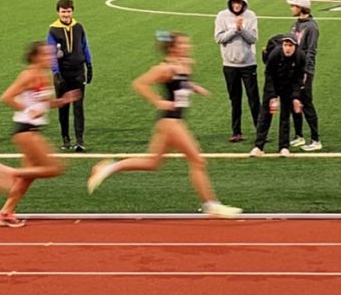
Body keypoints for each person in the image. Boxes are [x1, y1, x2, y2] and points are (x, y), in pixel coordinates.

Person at [88, 32, 241, 218]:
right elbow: (140, 84)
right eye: (184, 44)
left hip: (171, 122)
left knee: (152, 163)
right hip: (170, 122)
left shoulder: (184, 64)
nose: (188, 47)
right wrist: (158, 101)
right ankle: (211, 205)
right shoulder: (165, 69)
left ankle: (108, 167)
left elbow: (181, 84)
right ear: (173, 48)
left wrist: (193, 87)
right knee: (197, 160)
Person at [0, 41, 80, 228]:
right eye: (47, 55)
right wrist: (28, 110)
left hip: (31, 130)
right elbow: (6, 97)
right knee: (55, 168)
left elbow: (45, 104)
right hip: (25, 130)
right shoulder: (28, 75)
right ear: (35, 57)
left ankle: (5, 213)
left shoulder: (43, 76)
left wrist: (63, 100)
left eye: (51, 55)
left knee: (28, 177)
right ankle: (9, 172)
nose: (51, 58)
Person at [214, 0, 260, 143]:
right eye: (234, 2)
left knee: (254, 99)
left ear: (244, 3)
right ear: (230, 3)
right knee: (235, 99)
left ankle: (260, 130)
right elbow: (219, 38)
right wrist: (235, 30)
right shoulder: (222, 16)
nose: (236, 5)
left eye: (239, 2)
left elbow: (253, 38)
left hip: (248, 64)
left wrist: (242, 29)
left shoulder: (251, 16)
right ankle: (236, 132)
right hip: (230, 64)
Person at [47, 0, 93, 152]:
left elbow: (85, 46)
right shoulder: (53, 30)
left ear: (72, 11)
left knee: (79, 107)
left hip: (78, 72)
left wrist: (89, 64)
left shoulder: (79, 27)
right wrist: (56, 73)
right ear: (58, 12)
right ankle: (65, 138)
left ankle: (80, 140)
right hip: (62, 74)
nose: (66, 14)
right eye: (63, 11)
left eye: (68, 11)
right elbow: (51, 53)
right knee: (63, 107)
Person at [250, 36, 305, 157]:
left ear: (295, 47)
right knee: (265, 115)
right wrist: (272, 96)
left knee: (285, 116)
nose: (287, 48)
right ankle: (259, 146)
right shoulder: (274, 54)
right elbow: (269, 75)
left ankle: (284, 147)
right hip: (274, 84)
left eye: (290, 45)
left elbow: (298, 78)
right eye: (285, 45)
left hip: (288, 86)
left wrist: (296, 97)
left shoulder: (300, 57)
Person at [289, 0, 321, 150]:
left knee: (307, 103)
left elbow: (311, 51)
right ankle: (299, 136)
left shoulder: (312, 27)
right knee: (294, 102)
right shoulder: (295, 25)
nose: (291, 8)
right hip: (293, 69)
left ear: (301, 7)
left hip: (304, 71)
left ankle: (315, 139)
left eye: (293, 6)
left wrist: (305, 72)